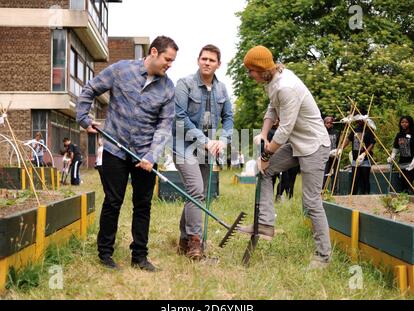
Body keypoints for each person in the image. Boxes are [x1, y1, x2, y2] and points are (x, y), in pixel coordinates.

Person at [77, 36, 179, 271]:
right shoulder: (121, 70)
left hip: (145, 154)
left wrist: (152, 156)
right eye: (167, 59)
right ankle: (105, 254)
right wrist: (83, 118)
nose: (169, 65)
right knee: (113, 201)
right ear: (153, 52)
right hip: (115, 148)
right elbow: (91, 89)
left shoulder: (167, 88)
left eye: (172, 61)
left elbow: (164, 125)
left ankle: (140, 257)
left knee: (143, 204)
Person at [239, 45, 332, 269]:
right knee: (266, 171)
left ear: (261, 69)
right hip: (296, 143)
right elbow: (272, 108)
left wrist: (266, 153)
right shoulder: (273, 81)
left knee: (311, 201)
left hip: (313, 146)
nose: (249, 75)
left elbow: (285, 129)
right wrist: (263, 133)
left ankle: (323, 256)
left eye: (251, 70)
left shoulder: (286, 86)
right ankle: (265, 224)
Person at [172, 44, 233, 260]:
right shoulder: (184, 84)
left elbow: (228, 118)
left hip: (207, 149)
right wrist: (205, 140)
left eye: (212, 60)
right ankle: (196, 244)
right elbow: (180, 117)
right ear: (198, 60)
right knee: (197, 191)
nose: (207, 63)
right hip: (184, 146)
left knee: (195, 194)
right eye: (204, 58)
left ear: (218, 64)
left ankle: (183, 240)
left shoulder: (222, 89)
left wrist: (223, 140)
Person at [338, 109, 376, 195]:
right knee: (355, 179)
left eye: (360, 119)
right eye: (358, 119)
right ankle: (353, 195)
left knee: (365, 178)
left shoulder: (369, 129)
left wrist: (364, 153)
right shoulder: (354, 129)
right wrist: (341, 148)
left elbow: (372, 143)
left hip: (365, 159)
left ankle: (366, 194)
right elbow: (348, 140)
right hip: (355, 159)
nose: (359, 121)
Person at [387, 115, 414, 194]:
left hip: (412, 163)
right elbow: (396, 148)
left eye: (406, 122)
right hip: (402, 163)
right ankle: (405, 200)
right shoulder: (399, 135)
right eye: (402, 122)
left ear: (410, 123)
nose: (404, 124)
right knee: (403, 184)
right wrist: (392, 155)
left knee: (408, 182)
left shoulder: (413, 134)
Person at [323, 116, 340, 190]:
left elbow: (338, 143)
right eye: (327, 123)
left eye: (331, 123)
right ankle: (323, 189)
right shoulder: (322, 132)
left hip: (334, 155)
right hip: (325, 156)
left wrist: (337, 151)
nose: (329, 124)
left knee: (335, 173)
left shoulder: (336, 132)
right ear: (324, 123)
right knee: (325, 173)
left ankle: (335, 189)